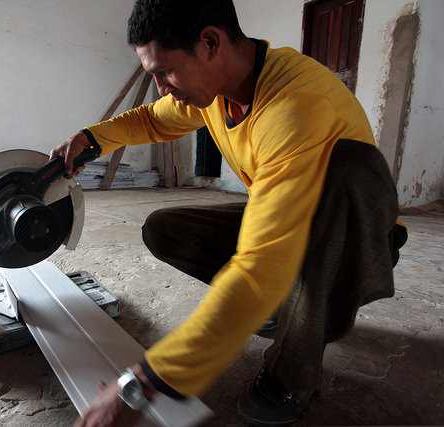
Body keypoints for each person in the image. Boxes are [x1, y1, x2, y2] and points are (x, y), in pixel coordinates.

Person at [50, 1, 408, 426]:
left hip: (357, 238)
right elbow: (151, 120)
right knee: (166, 229)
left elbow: (261, 265)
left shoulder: (295, 105)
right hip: (299, 218)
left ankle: (291, 373)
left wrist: (144, 382)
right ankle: (285, 312)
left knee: (346, 172)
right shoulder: (213, 93)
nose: (162, 87)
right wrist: (89, 139)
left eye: (165, 71)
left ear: (210, 42)